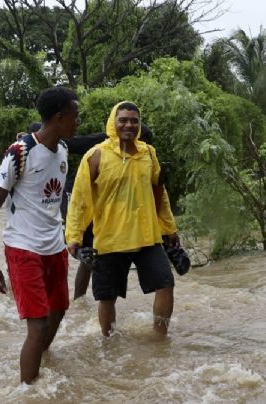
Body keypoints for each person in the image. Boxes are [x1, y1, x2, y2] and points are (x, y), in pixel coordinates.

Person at [0, 86, 79, 384]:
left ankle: (38, 357)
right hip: (23, 248)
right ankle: (27, 391)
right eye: (76, 117)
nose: (79, 122)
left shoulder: (62, 150)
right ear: (59, 117)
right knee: (36, 326)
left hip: (54, 247)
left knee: (59, 310)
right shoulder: (19, 153)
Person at [65, 101, 179, 337]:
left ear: (139, 124)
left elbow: (160, 192)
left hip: (146, 236)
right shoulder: (96, 156)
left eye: (134, 120)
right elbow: (80, 200)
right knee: (107, 297)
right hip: (110, 239)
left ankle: (160, 339)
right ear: (112, 123)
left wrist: (169, 228)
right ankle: (109, 342)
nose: (129, 124)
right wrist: (74, 237)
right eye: (123, 120)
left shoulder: (148, 153)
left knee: (166, 283)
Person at [62, 125, 154, 300]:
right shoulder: (102, 146)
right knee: (88, 250)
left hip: (107, 207)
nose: (137, 146)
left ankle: (92, 298)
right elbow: (73, 143)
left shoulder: (142, 156)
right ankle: (79, 300)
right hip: (80, 198)